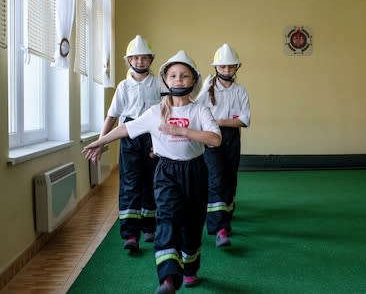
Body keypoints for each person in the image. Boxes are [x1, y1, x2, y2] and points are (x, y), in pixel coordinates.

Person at [82, 50, 221, 294]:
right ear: (166, 80)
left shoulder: (200, 111)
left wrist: (183, 132)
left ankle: (189, 269)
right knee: (166, 219)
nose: (179, 80)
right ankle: (167, 278)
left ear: (193, 81)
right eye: (174, 75)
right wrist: (101, 141)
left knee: (191, 224)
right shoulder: (156, 111)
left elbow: (214, 139)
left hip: (195, 172)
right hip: (166, 171)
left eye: (185, 76)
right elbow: (127, 127)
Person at [87, 35, 162, 251]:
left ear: (150, 60)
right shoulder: (123, 86)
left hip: (151, 137)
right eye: (135, 58)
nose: (139, 62)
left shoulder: (158, 83)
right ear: (128, 60)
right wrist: (101, 141)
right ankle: (130, 234)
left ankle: (150, 227)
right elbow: (112, 116)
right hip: (128, 136)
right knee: (130, 183)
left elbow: (166, 112)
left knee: (152, 181)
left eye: (144, 58)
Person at [196, 43, 251, 247]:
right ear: (216, 67)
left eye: (230, 66)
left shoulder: (241, 91)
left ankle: (226, 213)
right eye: (222, 67)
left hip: (232, 138)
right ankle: (220, 227)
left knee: (229, 177)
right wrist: (224, 121)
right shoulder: (207, 89)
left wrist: (219, 120)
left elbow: (244, 120)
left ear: (237, 67)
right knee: (216, 178)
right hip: (211, 137)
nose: (226, 70)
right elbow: (196, 110)